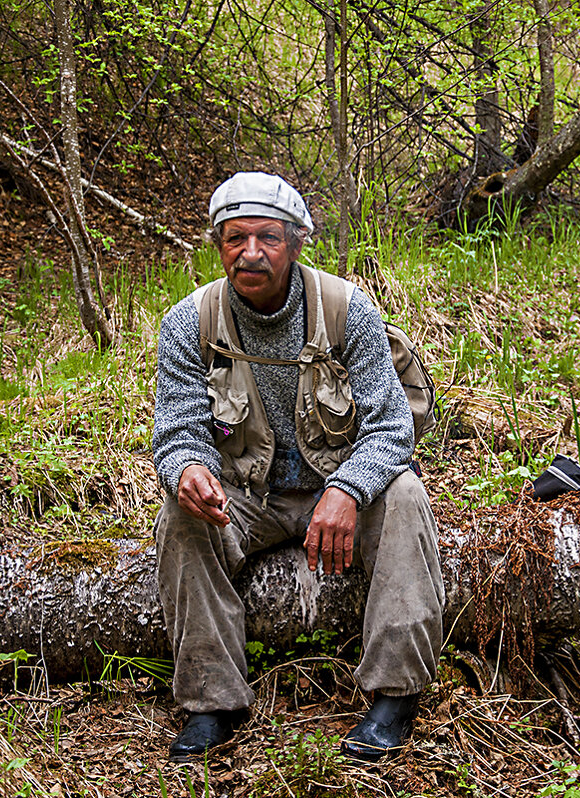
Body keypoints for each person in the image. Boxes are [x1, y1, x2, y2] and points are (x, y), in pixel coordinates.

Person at [152, 171, 445, 763]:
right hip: (246, 493)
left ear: (297, 241)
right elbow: (177, 430)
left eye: (268, 239)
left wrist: (349, 489)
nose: (251, 254)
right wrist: (187, 469)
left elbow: (392, 426)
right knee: (179, 519)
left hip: (335, 485)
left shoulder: (346, 310)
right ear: (218, 245)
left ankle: (395, 694)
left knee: (407, 494)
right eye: (236, 239)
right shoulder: (189, 322)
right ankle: (213, 703)